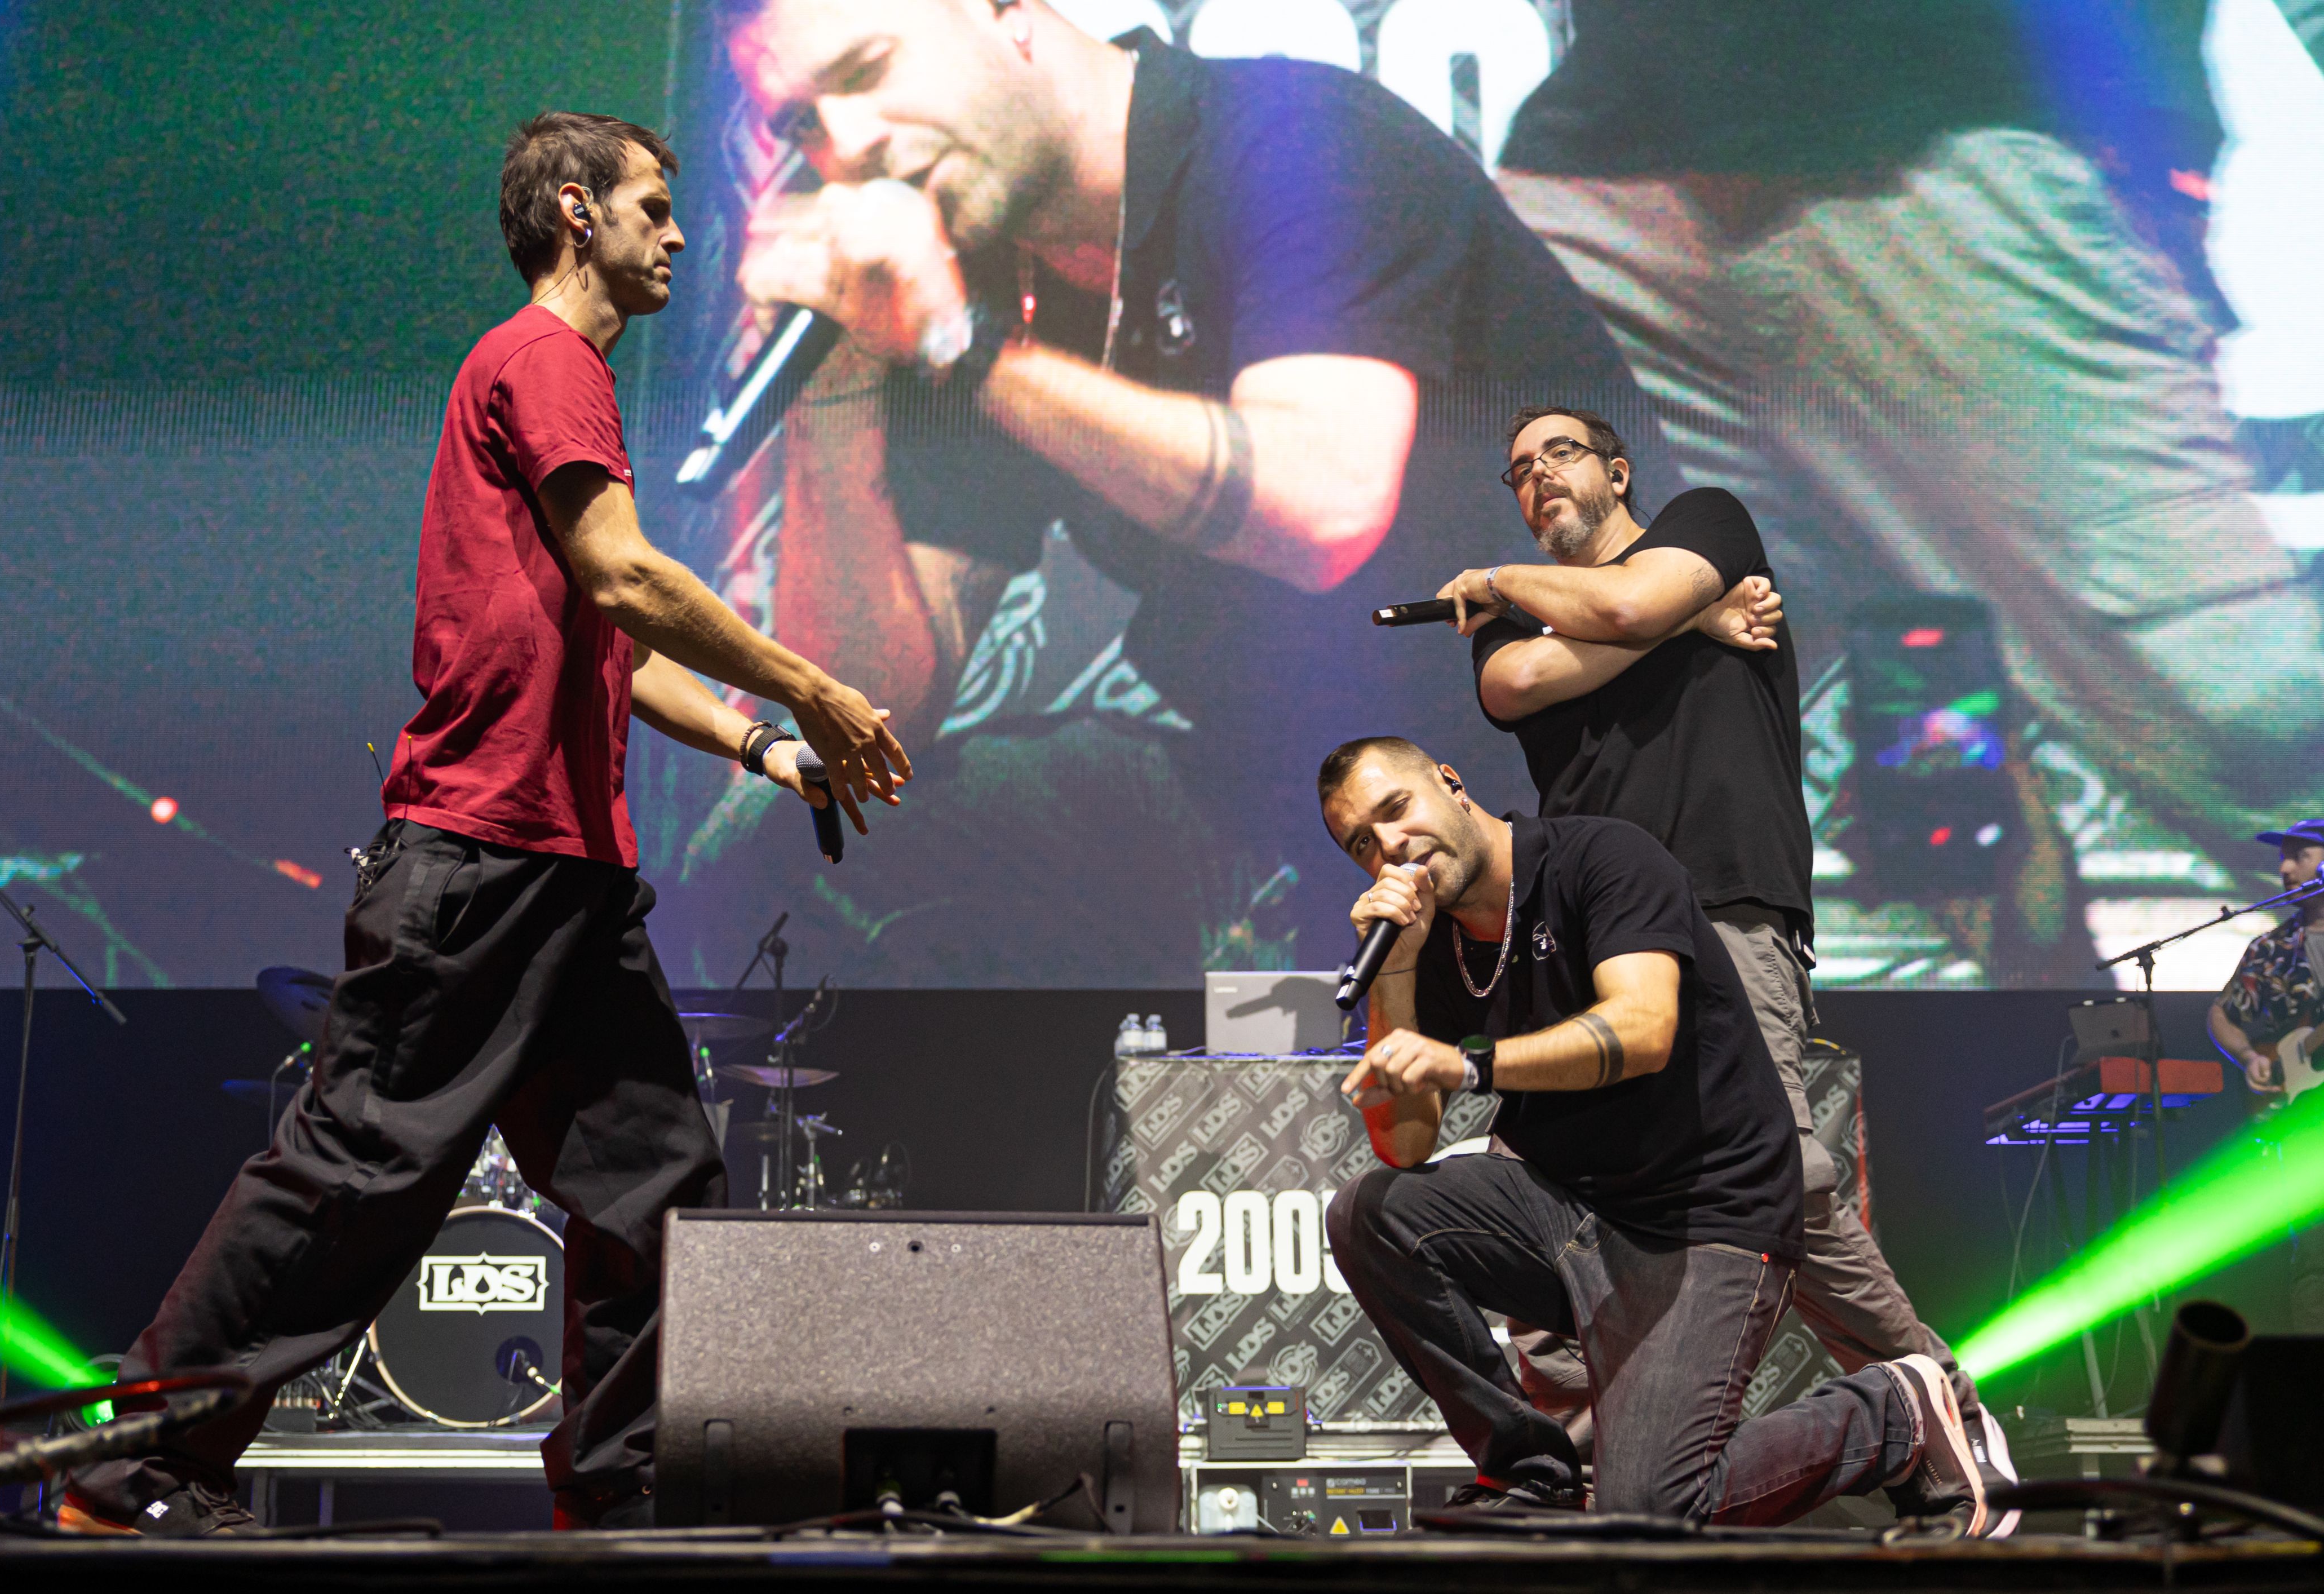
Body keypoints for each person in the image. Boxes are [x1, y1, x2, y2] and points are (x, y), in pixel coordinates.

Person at [61, 112, 910, 1535]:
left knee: (657, 1191)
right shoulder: (543, 360)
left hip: (567, 882)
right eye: (653, 205)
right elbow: (629, 578)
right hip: (481, 861)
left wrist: (767, 747)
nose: (680, 233)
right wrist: (813, 684)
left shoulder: (556, 381)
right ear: (576, 211)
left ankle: (619, 1485)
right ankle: (133, 1468)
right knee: (354, 1171)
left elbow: (617, 649)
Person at [704, 0, 1673, 983]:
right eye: (801, 124)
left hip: (1561, 765)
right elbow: (878, 713)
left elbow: (1323, 508)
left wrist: (966, 349)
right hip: (1286, 780)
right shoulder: (958, 277)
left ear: (1005, 12)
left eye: (866, 70)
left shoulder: (1295, 141)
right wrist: (834, 389)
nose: (849, 144)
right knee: (788, 830)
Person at [1494, 2, 2324, 909]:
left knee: (2251, 740)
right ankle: (2012, 998)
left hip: (1948, 166)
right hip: (1608, 181)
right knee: (1662, 733)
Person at [1437, 404, 2014, 1520]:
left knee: (1780, 1178)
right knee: (1558, 1190)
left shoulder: (1708, 522)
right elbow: (1519, 688)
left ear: (1618, 468)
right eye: (1515, 471)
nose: (1537, 477)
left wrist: (1532, 582)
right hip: (1589, 929)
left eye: (1557, 454)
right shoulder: (1509, 630)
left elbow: (1628, 598)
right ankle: (1572, 1466)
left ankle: (1942, 1408)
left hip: (1726, 900)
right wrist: (1692, 624)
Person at [1316, 737, 1988, 1530]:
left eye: (1396, 810)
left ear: (1453, 786)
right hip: (1574, 1217)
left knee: (1652, 1512)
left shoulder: (1599, 857)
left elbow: (1642, 1030)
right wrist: (1396, 971)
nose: (1389, 845)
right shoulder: (1424, 941)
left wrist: (1470, 1066)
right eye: (1362, 842)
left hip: (1705, 1218)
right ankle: (1532, 1471)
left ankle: (1895, 1411)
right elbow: (1405, 1147)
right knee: (1371, 1210)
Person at [2207, 816, 2324, 1332]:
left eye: (2299, 854)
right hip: (2306, 1127)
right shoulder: (2274, 949)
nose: (2284, 867)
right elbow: (2222, 1015)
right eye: (2284, 856)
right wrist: (2251, 1058)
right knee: (2316, 1258)